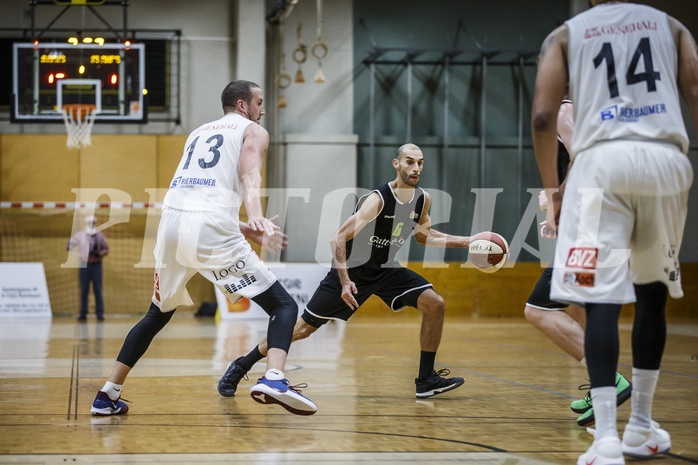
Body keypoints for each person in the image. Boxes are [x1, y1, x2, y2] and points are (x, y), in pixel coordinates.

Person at [532, 2, 697, 464]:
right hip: (664, 159)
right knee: (652, 295)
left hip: (600, 164)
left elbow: (544, 118)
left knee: (599, 299)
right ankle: (641, 424)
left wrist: (554, 190)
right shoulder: (674, 26)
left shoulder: (566, 35)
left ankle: (606, 438)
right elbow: (697, 91)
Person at [90, 80, 317, 417]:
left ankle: (108, 394)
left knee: (157, 314)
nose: (262, 109)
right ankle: (273, 377)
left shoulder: (197, 132)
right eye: (259, 101)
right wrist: (254, 216)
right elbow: (249, 172)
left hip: (170, 225)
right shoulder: (253, 131)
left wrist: (240, 227)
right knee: (283, 306)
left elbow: (197, 197)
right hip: (210, 228)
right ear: (242, 105)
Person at [218, 143, 473, 400]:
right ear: (396, 164)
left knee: (435, 304)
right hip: (352, 272)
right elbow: (337, 238)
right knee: (302, 329)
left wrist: (468, 241)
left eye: (420, 162)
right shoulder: (378, 199)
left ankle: (426, 380)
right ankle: (241, 365)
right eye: (409, 161)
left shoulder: (422, 199)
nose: (416, 167)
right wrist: (344, 281)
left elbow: (424, 236)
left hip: (386, 270)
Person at [524, 99, 631, 428]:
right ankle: (601, 386)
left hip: (589, 226)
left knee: (537, 309)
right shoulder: (588, 113)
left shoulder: (564, 111)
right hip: (597, 221)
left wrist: (555, 203)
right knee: (576, 306)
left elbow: (581, 161)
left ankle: (609, 380)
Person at [67, 215, 109, 321]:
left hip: (96, 265)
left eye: (93, 223)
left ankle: (99, 313)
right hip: (84, 265)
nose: (91, 225)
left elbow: (106, 249)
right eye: (89, 223)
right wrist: (78, 254)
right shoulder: (80, 235)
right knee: (84, 290)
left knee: (98, 289)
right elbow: (69, 245)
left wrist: (99, 253)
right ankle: (83, 312)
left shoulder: (100, 236)